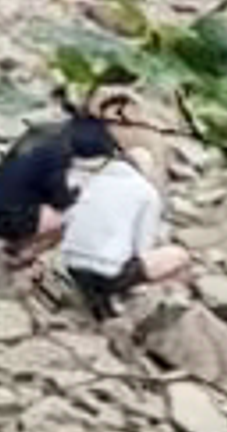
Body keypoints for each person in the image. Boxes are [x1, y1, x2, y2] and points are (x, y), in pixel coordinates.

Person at [50, 122, 189, 332]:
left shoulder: (90, 179)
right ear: (145, 171)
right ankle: (147, 305)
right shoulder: (146, 193)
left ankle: (100, 299)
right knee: (178, 255)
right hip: (106, 274)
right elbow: (142, 248)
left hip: (72, 266)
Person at [0, 91, 133, 274]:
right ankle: (21, 256)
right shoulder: (59, 154)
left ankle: (16, 242)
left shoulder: (44, 131)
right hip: (6, 218)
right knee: (74, 219)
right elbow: (61, 200)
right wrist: (78, 197)